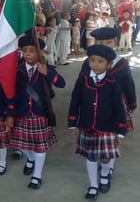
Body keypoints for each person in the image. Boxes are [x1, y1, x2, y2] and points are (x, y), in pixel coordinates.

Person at [68, 44, 126, 201]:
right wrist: (73, 123)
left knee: (106, 157)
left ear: (109, 65)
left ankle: (105, 176)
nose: (95, 64)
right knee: (91, 157)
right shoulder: (83, 80)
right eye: (92, 60)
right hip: (87, 126)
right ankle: (93, 184)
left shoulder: (112, 83)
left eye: (100, 61)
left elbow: (119, 108)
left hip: (107, 127)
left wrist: (121, 131)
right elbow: (75, 101)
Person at [10, 35, 65, 190]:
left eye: (32, 51)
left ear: (39, 52)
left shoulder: (46, 68)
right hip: (22, 113)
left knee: (40, 147)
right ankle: (31, 159)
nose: (28, 54)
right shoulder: (17, 70)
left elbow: (61, 83)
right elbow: (11, 93)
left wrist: (47, 72)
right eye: (25, 51)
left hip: (40, 113)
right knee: (21, 145)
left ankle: (37, 175)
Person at [80, 27, 137, 179]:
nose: (104, 45)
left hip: (116, 107)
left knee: (112, 138)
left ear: (115, 43)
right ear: (95, 43)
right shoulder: (89, 63)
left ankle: (108, 167)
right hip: (94, 106)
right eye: (100, 42)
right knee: (96, 134)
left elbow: (129, 84)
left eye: (108, 42)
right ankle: (97, 159)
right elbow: (82, 85)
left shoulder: (122, 63)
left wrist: (131, 104)